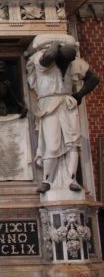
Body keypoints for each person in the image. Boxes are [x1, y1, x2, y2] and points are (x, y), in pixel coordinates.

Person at [26, 34, 99, 193]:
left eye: (69, 61)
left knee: (73, 142)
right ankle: (47, 180)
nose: (67, 64)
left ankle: (71, 179)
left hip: (67, 103)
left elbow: (94, 79)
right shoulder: (42, 57)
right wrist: (57, 43)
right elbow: (49, 57)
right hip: (48, 103)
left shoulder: (73, 62)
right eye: (64, 60)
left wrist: (79, 95)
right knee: (51, 144)